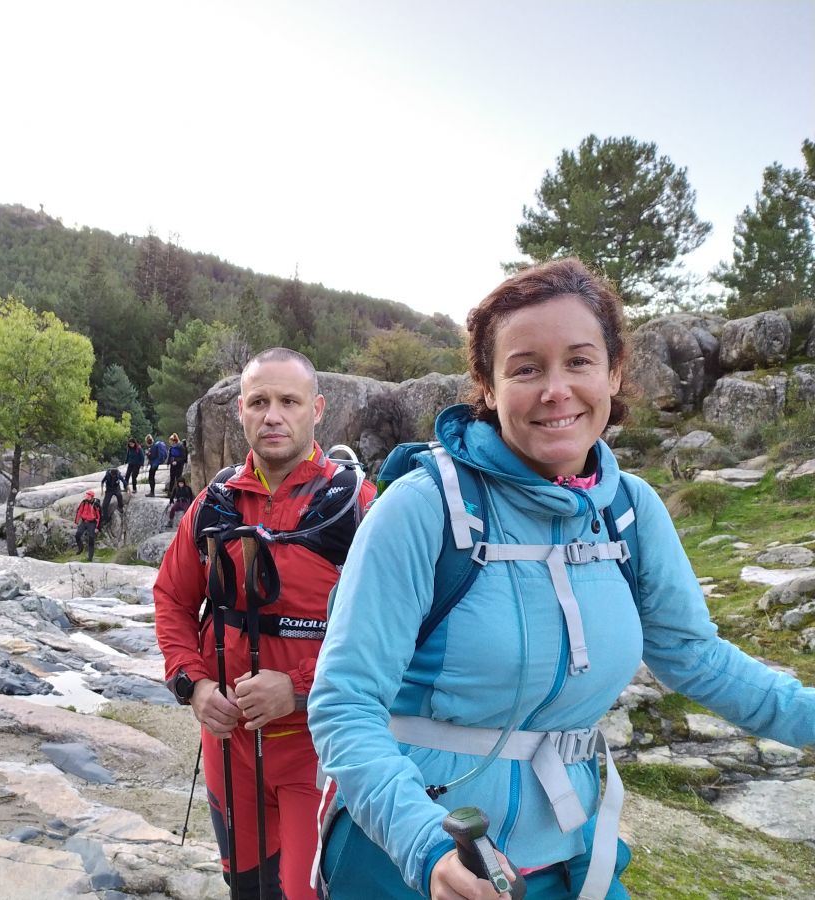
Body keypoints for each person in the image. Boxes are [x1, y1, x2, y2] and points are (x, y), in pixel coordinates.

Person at [307, 258, 815, 900]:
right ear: (487, 387)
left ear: (614, 372)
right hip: (412, 854)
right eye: (526, 368)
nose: (556, 389)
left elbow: (697, 657)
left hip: (567, 852)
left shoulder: (630, 511)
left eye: (579, 361)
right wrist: (425, 845)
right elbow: (345, 703)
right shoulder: (424, 507)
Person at [155, 348, 376, 900]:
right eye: (258, 402)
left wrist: (298, 688)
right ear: (241, 412)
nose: (272, 416)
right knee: (247, 887)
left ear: (317, 409)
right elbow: (172, 598)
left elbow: (391, 634)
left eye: (288, 401)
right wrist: (194, 684)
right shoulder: (213, 506)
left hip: (318, 746)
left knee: (308, 890)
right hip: (227, 745)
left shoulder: (358, 509)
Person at [73, 490, 102, 562]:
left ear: (92, 497)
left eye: (88, 497)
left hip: (92, 523)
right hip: (84, 521)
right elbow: (79, 511)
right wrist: (76, 522)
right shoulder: (84, 502)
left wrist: (97, 527)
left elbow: (99, 517)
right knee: (77, 535)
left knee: (91, 538)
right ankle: (80, 548)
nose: (87, 498)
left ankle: (90, 557)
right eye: (86, 496)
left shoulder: (96, 504)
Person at [166, 432, 188, 496]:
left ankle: (178, 492)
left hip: (179, 465)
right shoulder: (171, 447)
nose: (170, 442)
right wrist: (169, 462)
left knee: (178, 478)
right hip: (173, 464)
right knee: (172, 478)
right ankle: (170, 492)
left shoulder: (180, 446)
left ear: (174, 441)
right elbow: (170, 456)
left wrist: (176, 461)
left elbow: (183, 457)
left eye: (171, 441)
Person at [147, 433, 168, 497]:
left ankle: (152, 492)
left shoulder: (153, 447)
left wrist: (148, 454)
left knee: (151, 477)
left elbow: (152, 457)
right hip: (156, 463)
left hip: (154, 464)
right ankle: (152, 492)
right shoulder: (155, 445)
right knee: (151, 477)